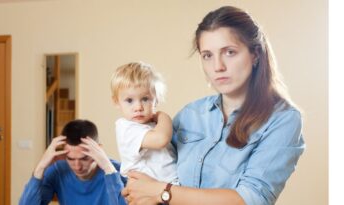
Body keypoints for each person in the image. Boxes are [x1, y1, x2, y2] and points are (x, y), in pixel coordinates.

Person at [122, 6, 305, 205]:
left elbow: (252, 199)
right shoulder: (190, 114)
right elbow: (149, 173)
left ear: (255, 55)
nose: (218, 66)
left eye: (229, 52)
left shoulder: (283, 119)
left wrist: (162, 192)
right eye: (207, 55)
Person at [19, 119, 127, 205]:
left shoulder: (119, 171)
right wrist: (41, 167)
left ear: (99, 150)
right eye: (70, 158)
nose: (77, 166)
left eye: (84, 158)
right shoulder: (58, 171)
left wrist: (108, 168)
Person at [111, 62, 178, 184]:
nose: (138, 107)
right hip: (146, 194)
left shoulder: (153, 125)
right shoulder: (126, 128)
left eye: (145, 99)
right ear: (116, 102)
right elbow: (161, 139)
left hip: (167, 189)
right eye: (129, 100)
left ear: (156, 99)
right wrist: (163, 116)